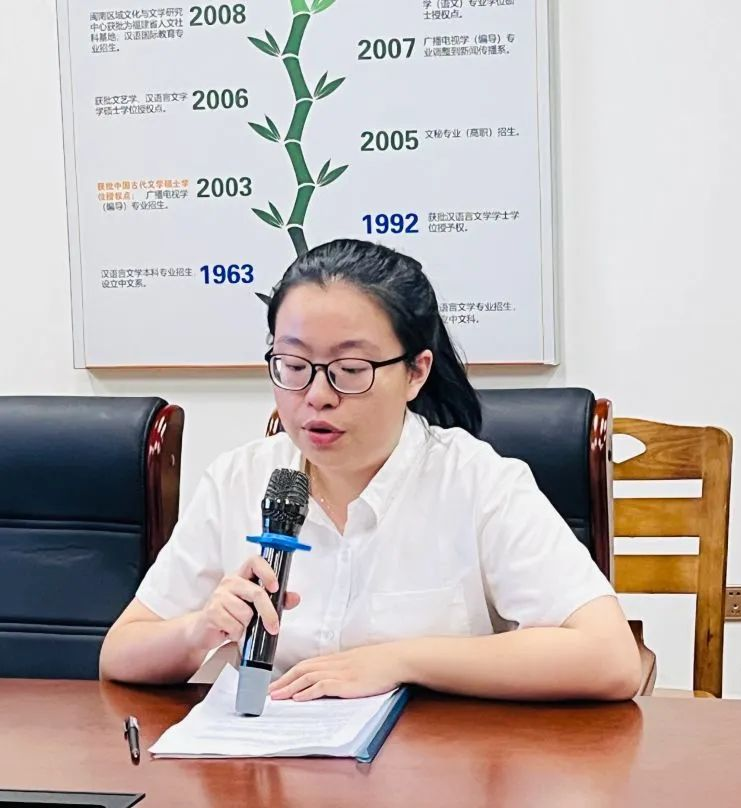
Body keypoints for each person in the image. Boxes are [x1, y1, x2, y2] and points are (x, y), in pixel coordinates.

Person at [100, 239, 640, 701]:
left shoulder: (478, 482)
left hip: (436, 765)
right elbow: (121, 653)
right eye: (293, 366)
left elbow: (610, 658)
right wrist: (199, 630)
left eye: (350, 370)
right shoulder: (239, 479)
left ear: (415, 373)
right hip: (272, 768)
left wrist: (398, 661)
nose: (317, 395)